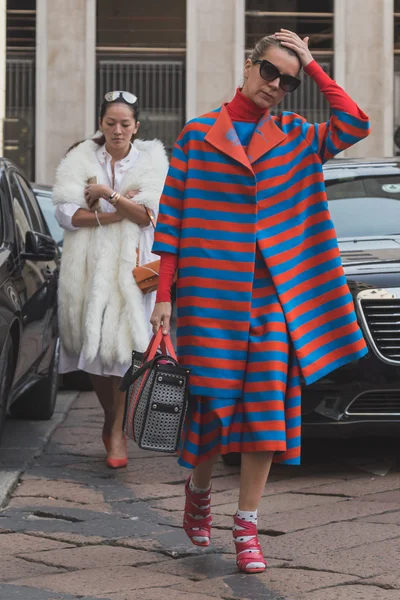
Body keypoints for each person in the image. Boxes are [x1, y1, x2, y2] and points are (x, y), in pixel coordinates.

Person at [150, 30, 370, 574]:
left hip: (276, 296)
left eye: (288, 82)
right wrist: (163, 298)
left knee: (268, 403)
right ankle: (198, 491)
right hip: (209, 294)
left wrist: (315, 67)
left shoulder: (297, 135)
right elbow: (173, 223)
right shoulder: (198, 136)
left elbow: (355, 122)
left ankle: (246, 525)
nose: (276, 86)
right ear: (248, 66)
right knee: (211, 407)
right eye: (270, 72)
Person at [53, 91, 168, 468]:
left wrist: (105, 195)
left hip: (132, 267)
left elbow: (149, 214)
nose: (117, 130)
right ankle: (109, 416)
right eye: (110, 123)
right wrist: (120, 209)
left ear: (136, 126)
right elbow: (67, 214)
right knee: (92, 348)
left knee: (125, 353)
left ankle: (117, 428)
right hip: (86, 266)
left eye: (125, 124)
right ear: (100, 124)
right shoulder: (80, 158)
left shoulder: (152, 162)